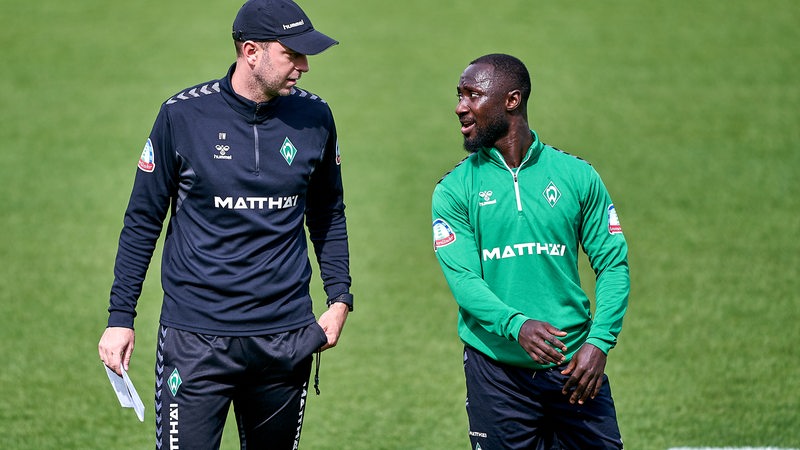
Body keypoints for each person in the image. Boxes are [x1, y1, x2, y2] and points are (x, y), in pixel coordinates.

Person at [97, 0, 353, 448]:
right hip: (195, 342)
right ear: (250, 51)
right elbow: (143, 220)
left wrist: (340, 297)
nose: (305, 66)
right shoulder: (182, 116)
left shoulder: (316, 117)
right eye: (292, 54)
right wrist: (121, 317)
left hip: (285, 339)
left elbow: (329, 210)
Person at [431, 53, 630, 449]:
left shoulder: (576, 176)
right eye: (459, 96)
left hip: (575, 368)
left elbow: (612, 264)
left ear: (512, 100)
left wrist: (599, 342)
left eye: (472, 95)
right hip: (497, 374)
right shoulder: (453, 190)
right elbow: (465, 282)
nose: (460, 107)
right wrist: (516, 325)